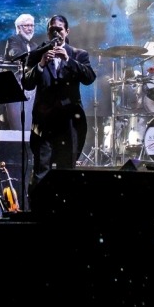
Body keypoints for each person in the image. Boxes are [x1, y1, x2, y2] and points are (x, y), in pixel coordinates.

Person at [22, 14, 96, 207]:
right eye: (52, 30)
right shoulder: (37, 54)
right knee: (41, 169)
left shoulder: (79, 54)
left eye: (59, 29)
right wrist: (40, 65)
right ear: (48, 32)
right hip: (44, 123)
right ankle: (37, 211)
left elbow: (89, 77)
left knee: (67, 169)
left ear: (67, 32)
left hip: (69, 123)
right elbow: (27, 83)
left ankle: (66, 211)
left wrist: (69, 60)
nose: (56, 33)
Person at [0, 13, 38, 130]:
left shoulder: (34, 45)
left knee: (28, 122)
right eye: (27, 25)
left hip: (30, 88)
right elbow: (14, 54)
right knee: (16, 124)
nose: (30, 28)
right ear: (19, 27)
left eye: (32, 25)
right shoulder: (13, 40)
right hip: (14, 85)